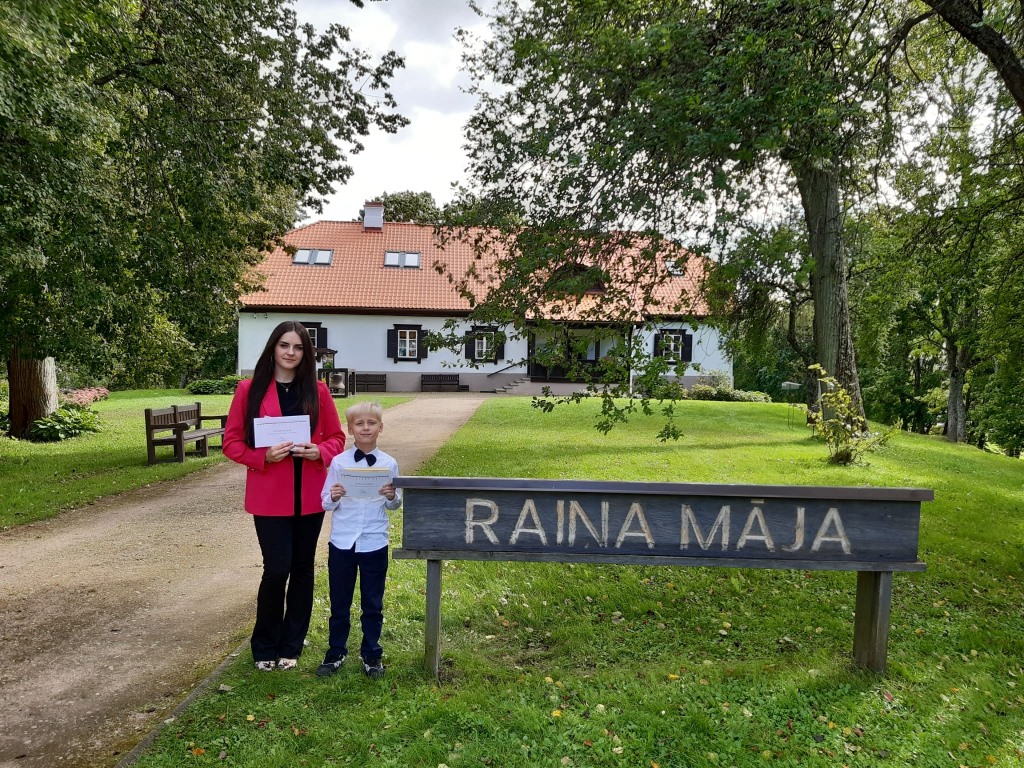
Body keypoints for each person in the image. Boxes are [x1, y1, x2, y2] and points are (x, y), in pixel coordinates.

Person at [223, 321, 346, 671]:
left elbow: (337, 438)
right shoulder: (249, 390)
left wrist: (319, 451)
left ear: (306, 353)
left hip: (309, 496)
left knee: (303, 568)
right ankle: (264, 645)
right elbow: (231, 443)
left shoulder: (318, 391)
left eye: (298, 347)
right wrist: (262, 456)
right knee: (276, 569)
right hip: (269, 496)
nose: (291, 352)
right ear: (273, 348)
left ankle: (292, 645)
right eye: (284, 345)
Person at [317, 401, 402, 679]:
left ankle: (371, 653)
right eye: (359, 424)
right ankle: (336, 651)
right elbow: (325, 502)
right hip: (342, 542)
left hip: (374, 541)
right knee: (339, 601)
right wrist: (334, 496)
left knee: (373, 602)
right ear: (350, 429)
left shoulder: (389, 463)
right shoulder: (339, 463)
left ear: (381, 427)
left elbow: (395, 504)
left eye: (371, 423)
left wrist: (392, 496)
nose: (366, 428)